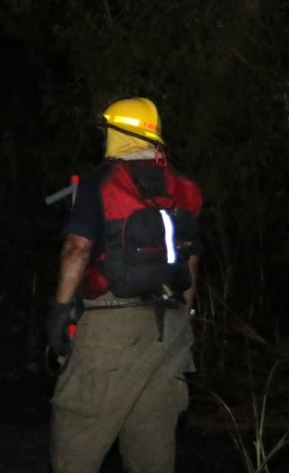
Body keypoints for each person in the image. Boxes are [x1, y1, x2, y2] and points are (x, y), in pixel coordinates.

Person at [47, 97, 203, 473]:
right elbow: (192, 260)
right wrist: (184, 316)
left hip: (111, 329)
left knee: (77, 442)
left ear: (118, 133)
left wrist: (59, 314)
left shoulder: (102, 182)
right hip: (169, 332)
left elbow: (77, 248)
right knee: (152, 449)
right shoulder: (184, 187)